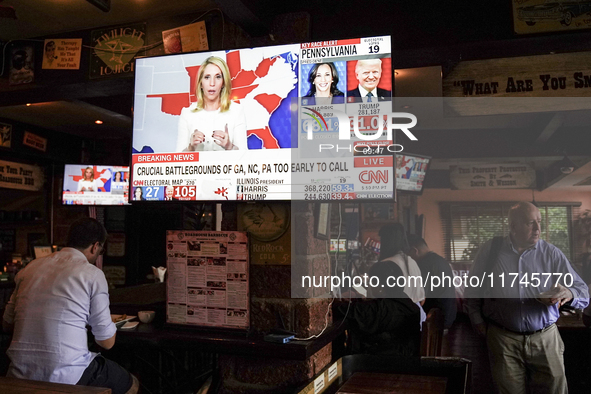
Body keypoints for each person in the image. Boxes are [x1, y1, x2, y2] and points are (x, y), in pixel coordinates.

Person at [2, 218, 139, 394]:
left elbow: (7, 324)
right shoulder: (92, 274)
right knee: (131, 384)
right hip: (67, 373)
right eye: (101, 250)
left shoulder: (29, 268)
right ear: (95, 246)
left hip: (19, 371)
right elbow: (106, 342)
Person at [465, 201, 589, 394]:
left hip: (545, 338)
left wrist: (569, 293)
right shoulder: (490, 251)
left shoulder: (551, 253)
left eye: (539, 221)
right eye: (530, 223)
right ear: (513, 226)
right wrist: (478, 322)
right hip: (503, 339)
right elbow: (472, 289)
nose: (538, 228)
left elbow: (582, 290)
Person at [335, 260, 421, 356]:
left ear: (380, 287)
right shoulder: (407, 302)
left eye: (371, 281)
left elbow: (342, 310)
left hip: (382, 364)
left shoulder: (380, 309)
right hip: (405, 360)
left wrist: (336, 300)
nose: (369, 285)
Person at [176, 56, 248, 152]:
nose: (212, 83)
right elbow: (177, 160)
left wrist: (229, 146)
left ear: (223, 82)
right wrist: (191, 148)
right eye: (207, 77)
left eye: (218, 77)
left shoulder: (236, 111)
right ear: (200, 83)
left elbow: (245, 159)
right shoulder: (187, 113)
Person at [407, 234, 457, 329]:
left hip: (435, 318)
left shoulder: (424, 264)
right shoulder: (441, 260)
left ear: (415, 251)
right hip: (449, 315)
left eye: (409, 255)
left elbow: (421, 298)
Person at [378, 223, 426, 305]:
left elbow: (376, 298)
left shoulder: (386, 264)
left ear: (385, 242)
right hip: (415, 313)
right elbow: (421, 299)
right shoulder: (411, 261)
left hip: (396, 314)